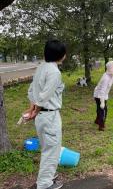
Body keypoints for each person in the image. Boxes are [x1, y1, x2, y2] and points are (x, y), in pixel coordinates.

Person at [26, 40, 66, 189]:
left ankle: (49, 176)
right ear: (61, 55)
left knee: (47, 148)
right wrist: (34, 111)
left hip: (42, 117)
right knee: (51, 150)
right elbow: (43, 96)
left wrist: (32, 110)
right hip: (49, 116)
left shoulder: (41, 67)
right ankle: (44, 184)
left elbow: (32, 91)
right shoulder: (54, 72)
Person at [94, 61, 113, 131]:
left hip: (101, 95)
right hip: (99, 96)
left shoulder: (109, 75)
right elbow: (102, 91)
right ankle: (101, 126)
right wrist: (102, 102)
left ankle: (97, 120)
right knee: (103, 110)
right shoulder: (106, 78)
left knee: (99, 109)